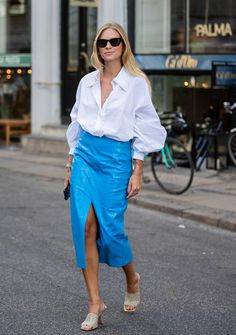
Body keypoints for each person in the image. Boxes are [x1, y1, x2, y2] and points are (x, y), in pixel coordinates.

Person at [64, 22, 166, 331]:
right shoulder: (87, 82)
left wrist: (138, 168)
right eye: (102, 42)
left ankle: (131, 277)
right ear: (96, 48)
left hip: (116, 160)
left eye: (114, 41)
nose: (108, 46)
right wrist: (69, 165)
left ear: (123, 45)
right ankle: (95, 303)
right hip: (85, 157)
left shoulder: (136, 83)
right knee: (85, 228)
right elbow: (77, 123)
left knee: (111, 231)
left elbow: (145, 126)